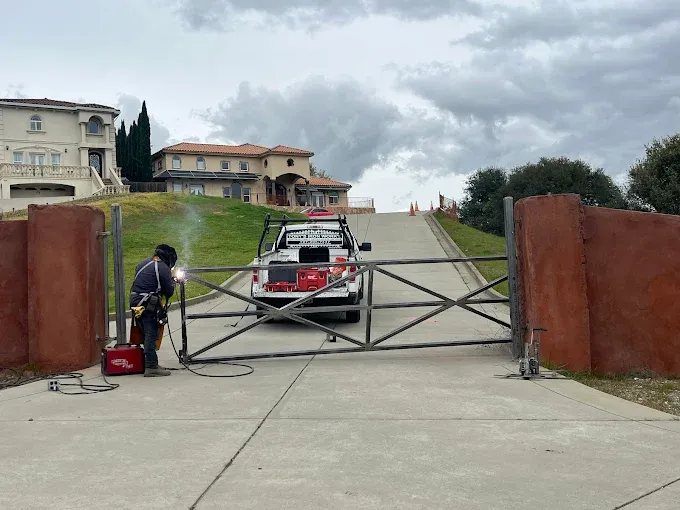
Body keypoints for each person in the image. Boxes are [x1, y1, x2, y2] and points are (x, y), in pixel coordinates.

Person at [129, 244, 178, 377]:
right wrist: (172, 282)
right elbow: (169, 292)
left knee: (146, 334)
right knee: (151, 334)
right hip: (148, 305)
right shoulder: (162, 268)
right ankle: (151, 366)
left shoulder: (143, 263)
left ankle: (150, 362)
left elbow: (148, 282)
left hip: (136, 303)